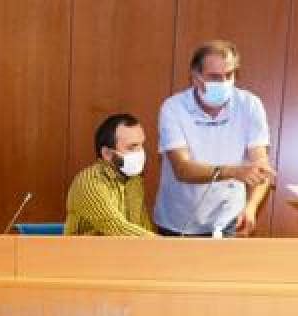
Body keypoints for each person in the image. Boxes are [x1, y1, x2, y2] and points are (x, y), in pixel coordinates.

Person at [154, 40, 273, 237]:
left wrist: (251, 207)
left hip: (228, 220)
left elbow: (260, 166)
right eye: (215, 77)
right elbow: (182, 169)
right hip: (178, 222)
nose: (224, 83)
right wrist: (234, 172)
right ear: (195, 77)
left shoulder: (250, 105)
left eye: (229, 75)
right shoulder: (173, 108)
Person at [64, 113, 157, 237]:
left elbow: (140, 225)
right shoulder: (89, 181)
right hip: (85, 254)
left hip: (124, 253)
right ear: (107, 154)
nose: (140, 152)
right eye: (132, 147)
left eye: (141, 145)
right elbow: (116, 228)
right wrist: (166, 246)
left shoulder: (134, 179)